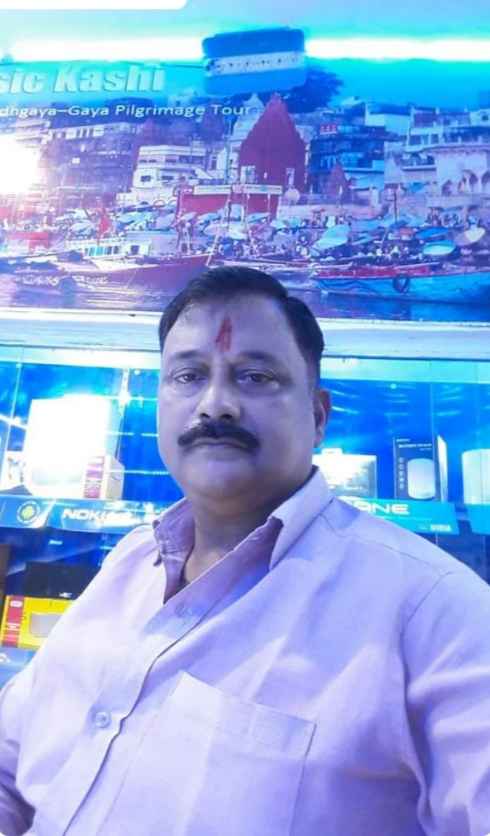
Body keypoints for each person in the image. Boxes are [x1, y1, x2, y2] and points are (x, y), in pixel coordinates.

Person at [0, 266, 490, 836]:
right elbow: (10, 766)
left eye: (256, 377)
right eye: (188, 376)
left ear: (318, 417)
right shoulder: (127, 563)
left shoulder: (436, 612)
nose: (215, 406)